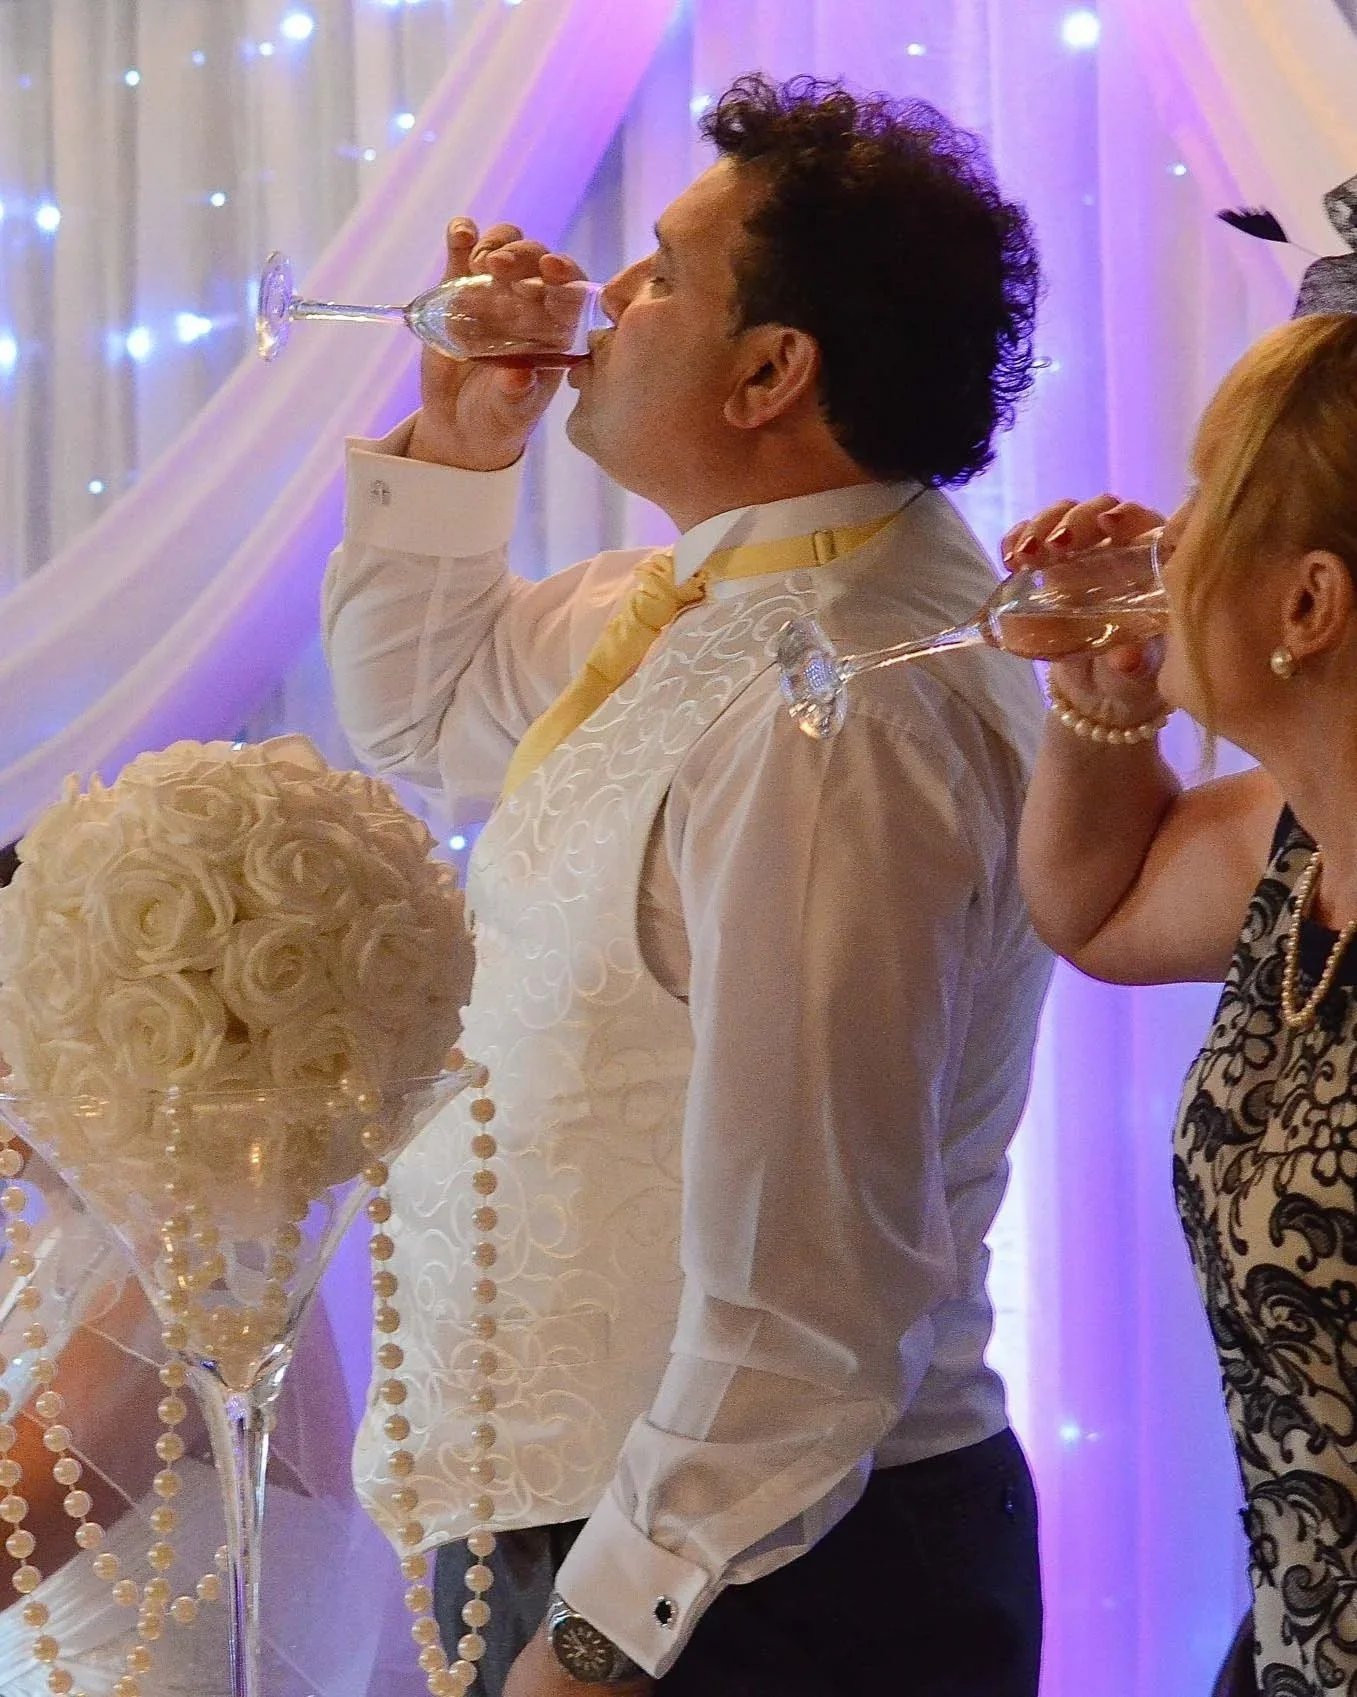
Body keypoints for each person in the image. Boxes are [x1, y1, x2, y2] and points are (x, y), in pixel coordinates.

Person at [325, 74, 1051, 1696]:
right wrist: (462, 435)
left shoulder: (845, 697)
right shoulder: (708, 602)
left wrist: (602, 1632)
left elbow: (811, 1274)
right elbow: (419, 711)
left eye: (659, 269)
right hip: (621, 1531)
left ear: (772, 371)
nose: (601, 299)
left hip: (758, 1580)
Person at [1013, 283, 1357, 1690]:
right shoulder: (1293, 838)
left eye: (1208, 496)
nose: (1164, 535)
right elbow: (1088, 907)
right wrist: (1111, 693)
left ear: (1307, 600)